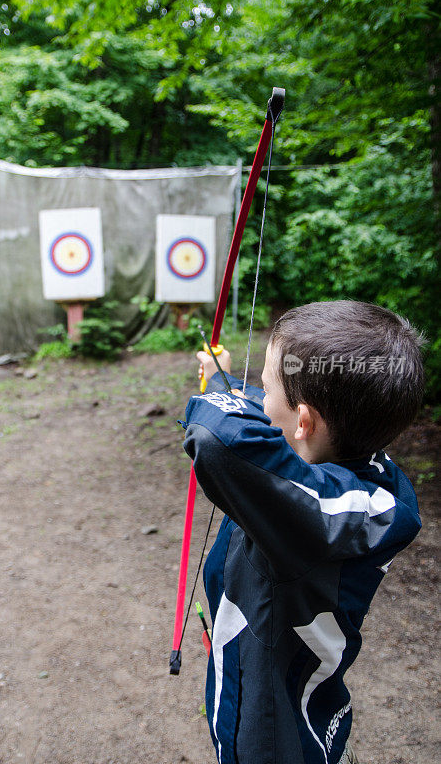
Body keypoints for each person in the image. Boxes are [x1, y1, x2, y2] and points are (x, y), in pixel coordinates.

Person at [182, 301, 424, 764]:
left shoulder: (312, 511)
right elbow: (267, 421)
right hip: (294, 687)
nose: (258, 397)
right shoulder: (371, 483)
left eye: (267, 387)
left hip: (270, 733)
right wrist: (222, 379)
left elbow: (218, 441)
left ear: (304, 422)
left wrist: (219, 398)